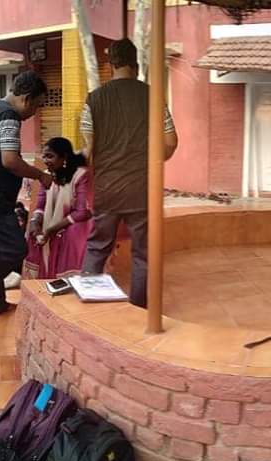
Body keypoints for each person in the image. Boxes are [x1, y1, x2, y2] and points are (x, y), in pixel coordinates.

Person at [81, 38, 179, 308]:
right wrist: (153, 158)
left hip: (107, 189)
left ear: (110, 65)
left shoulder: (94, 100)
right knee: (142, 254)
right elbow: (171, 142)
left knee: (97, 247)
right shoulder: (153, 96)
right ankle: (138, 309)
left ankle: (89, 306)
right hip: (142, 188)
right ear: (135, 65)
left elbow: (88, 151)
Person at [0, 71, 55, 316]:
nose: (34, 113)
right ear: (26, 98)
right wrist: (40, 175)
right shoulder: (7, 115)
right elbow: (10, 160)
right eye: (36, 105)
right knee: (15, 249)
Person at [26, 137, 94, 278]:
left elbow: (83, 212)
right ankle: (44, 279)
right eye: (44, 156)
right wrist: (35, 221)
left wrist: (53, 229)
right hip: (53, 224)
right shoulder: (47, 175)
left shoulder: (81, 175)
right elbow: (40, 205)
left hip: (76, 223)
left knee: (71, 234)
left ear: (64, 157)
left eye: (50, 156)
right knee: (32, 233)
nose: (45, 160)